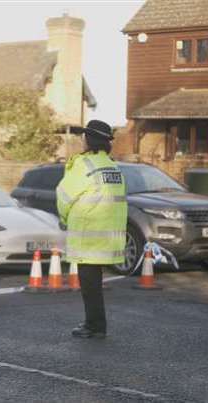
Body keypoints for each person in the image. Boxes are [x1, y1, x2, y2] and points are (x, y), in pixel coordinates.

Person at [56, 119, 128, 339]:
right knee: (94, 284)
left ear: (88, 140)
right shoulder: (112, 166)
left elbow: (64, 196)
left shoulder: (83, 164)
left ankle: (95, 326)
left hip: (88, 234)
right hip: (108, 236)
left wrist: (63, 217)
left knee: (90, 286)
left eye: (83, 137)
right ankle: (96, 324)